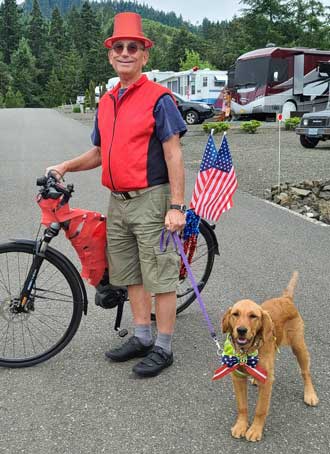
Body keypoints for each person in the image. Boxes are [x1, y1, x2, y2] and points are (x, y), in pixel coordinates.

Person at [46, 12, 187, 377]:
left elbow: (173, 153)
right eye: (119, 47)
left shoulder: (160, 99)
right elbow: (98, 152)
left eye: (133, 47)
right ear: (110, 55)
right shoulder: (107, 101)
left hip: (152, 199)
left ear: (144, 56)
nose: (125, 52)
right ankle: (141, 337)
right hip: (118, 201)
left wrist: (176, 206)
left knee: (160, 275)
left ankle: (164, 346)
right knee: (131, 275)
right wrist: (64, 166)